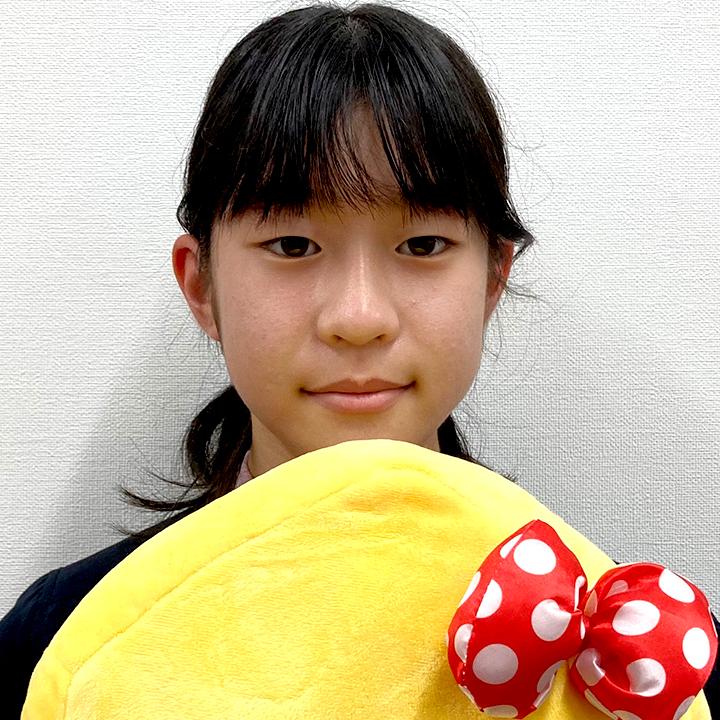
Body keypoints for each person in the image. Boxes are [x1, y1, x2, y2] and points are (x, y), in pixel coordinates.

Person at [1, 1, 717, 717]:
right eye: (293, 245)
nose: (359, 318)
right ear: (202, 285)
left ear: (492, 279)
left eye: (423, 245)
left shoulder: (634, 656)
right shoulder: (64, 643)